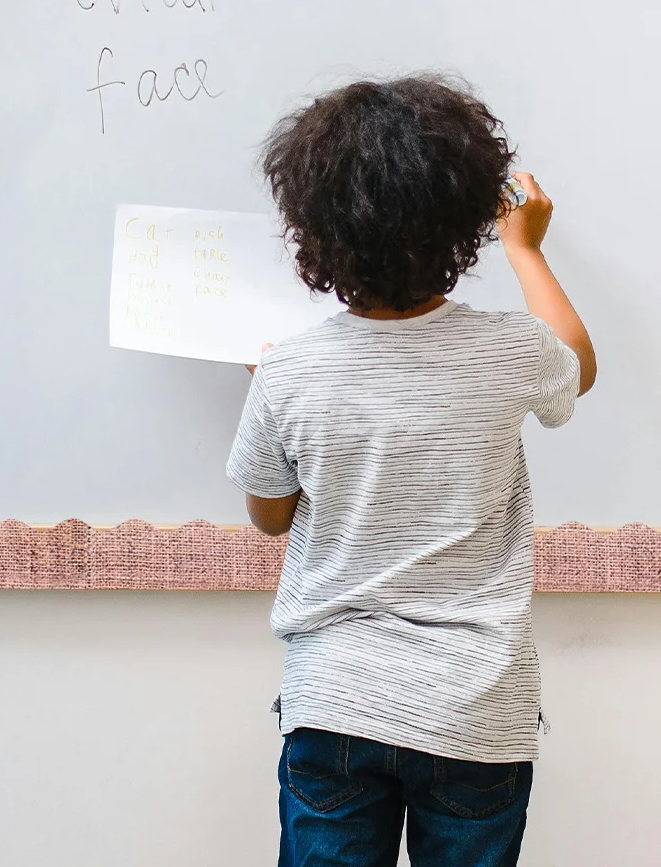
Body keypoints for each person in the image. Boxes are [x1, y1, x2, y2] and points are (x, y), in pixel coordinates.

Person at [228, 75, 596, 867]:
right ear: (465, 227)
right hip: (478, 706)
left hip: (337, 702)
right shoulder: (511, 351)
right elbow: (578, 364)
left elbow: (270, 517)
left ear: (310, 231)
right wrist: (525, 247)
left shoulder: (287, 372)